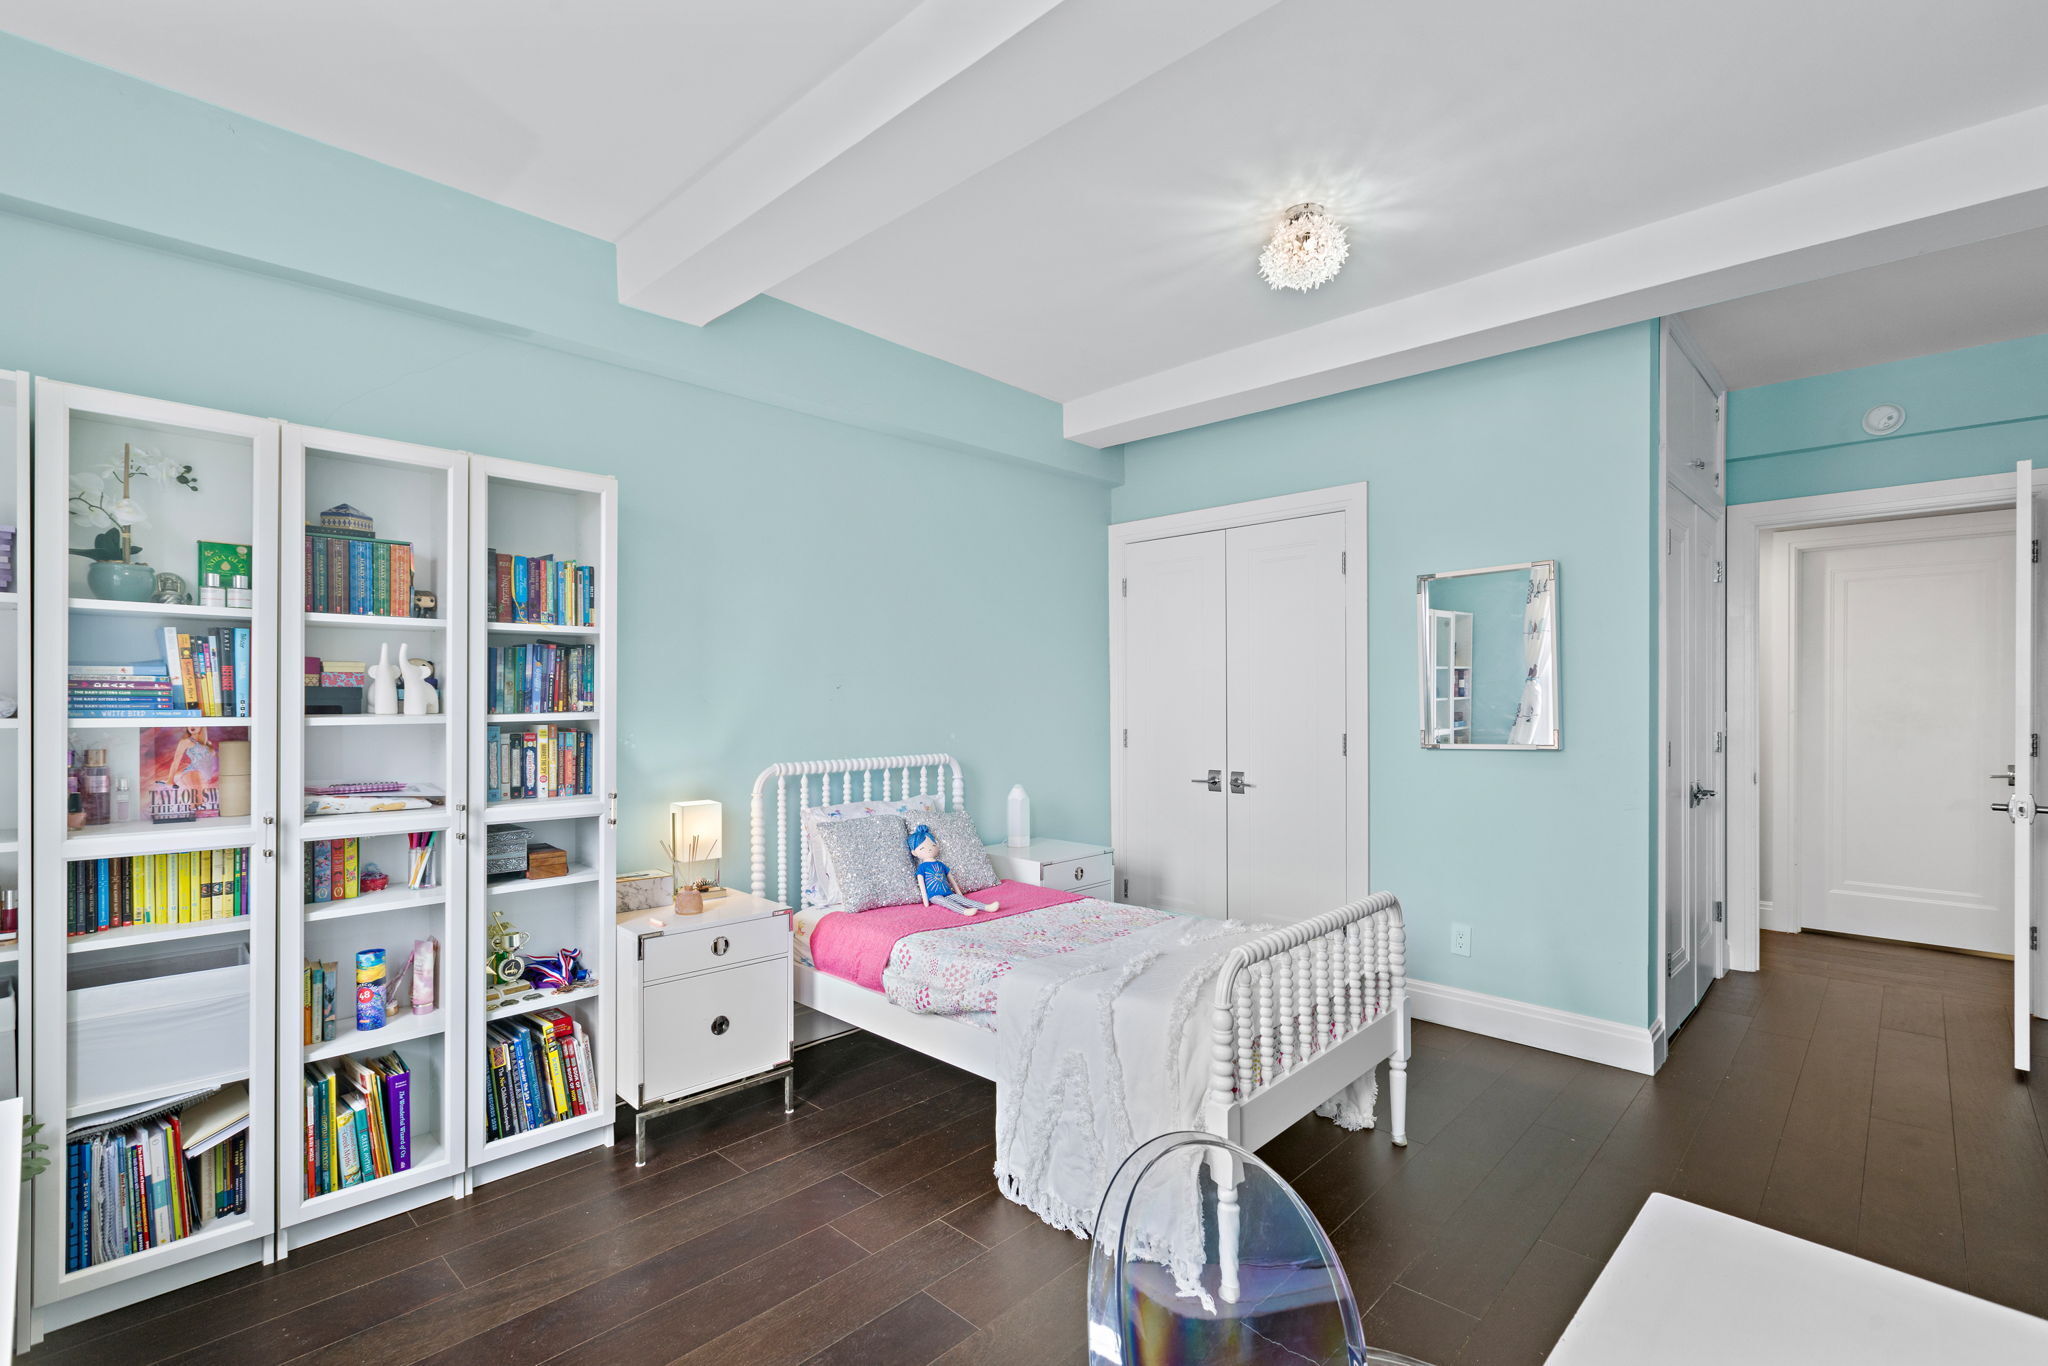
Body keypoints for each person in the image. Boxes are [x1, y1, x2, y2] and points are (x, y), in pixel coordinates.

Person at [907, 824, 999, 916]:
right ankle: (964, 911)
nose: (929, 849)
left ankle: (986, 907)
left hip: (948, 892)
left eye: (933, 845)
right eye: (922, 848)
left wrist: (959, 893)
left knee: (962, 900)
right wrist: (925, 900)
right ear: (914, 852)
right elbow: (922, 885)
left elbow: (952, 880)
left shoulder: (941, 864)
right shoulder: (922, 867)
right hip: (933, 896)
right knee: (944, 902)